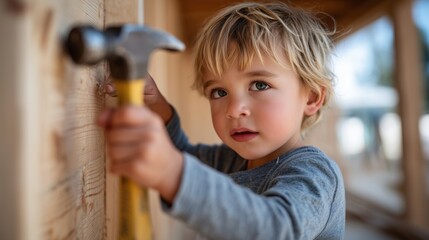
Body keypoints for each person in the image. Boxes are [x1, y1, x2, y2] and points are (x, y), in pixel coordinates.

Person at [98, 2, 345, 239]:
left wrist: (174, 174)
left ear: (312, 97)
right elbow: (178, 155)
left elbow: (277, 229)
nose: (234, 110)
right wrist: (156, 106)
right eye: (219, 92)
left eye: (259, 85)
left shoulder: (314, 173)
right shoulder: (229, 161)